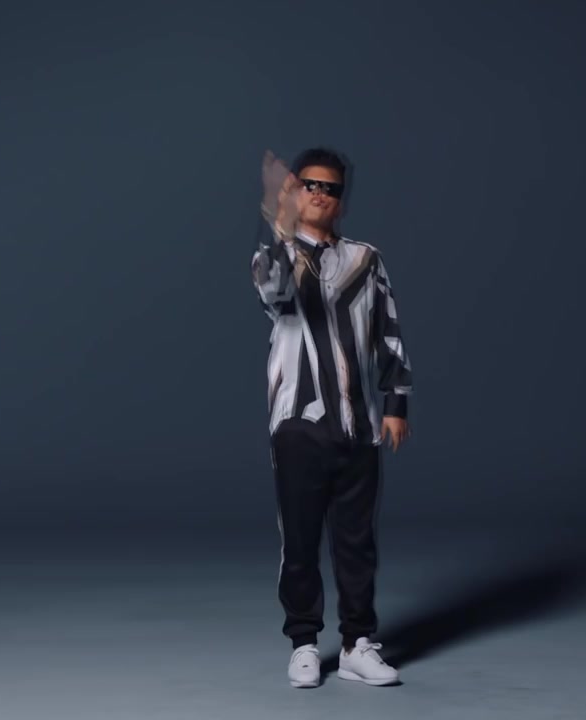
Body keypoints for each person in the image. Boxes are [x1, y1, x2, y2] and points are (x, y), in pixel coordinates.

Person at [250, 147, 413, 688]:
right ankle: (303, 643)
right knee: (299, 539)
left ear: (341, 201)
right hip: (298, 422)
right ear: (294, 192)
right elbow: (276, 297)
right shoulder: (273, 257)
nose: (321, 194)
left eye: (331, 188)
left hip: (359, 423)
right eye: (311, 185)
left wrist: (396, 402)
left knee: (356, 542)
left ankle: (356, 645)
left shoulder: (366, 260)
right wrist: (279, 227)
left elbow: (388, 330)